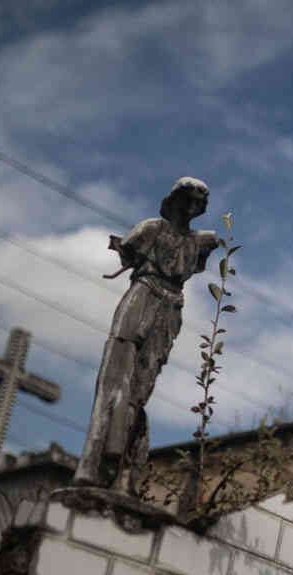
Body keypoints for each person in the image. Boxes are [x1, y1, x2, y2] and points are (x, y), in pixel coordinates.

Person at [74, 177, 220, 493]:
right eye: (187, 199)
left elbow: (193, 265)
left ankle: (122, 470)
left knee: (140, 389)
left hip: (170, 308)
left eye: (198, 202)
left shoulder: (200, 242)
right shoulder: (151, 229)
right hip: (141, 297)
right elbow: (128, 252)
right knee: (114, 381)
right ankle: (92, 463)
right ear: (176, 200)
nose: (191, 207)